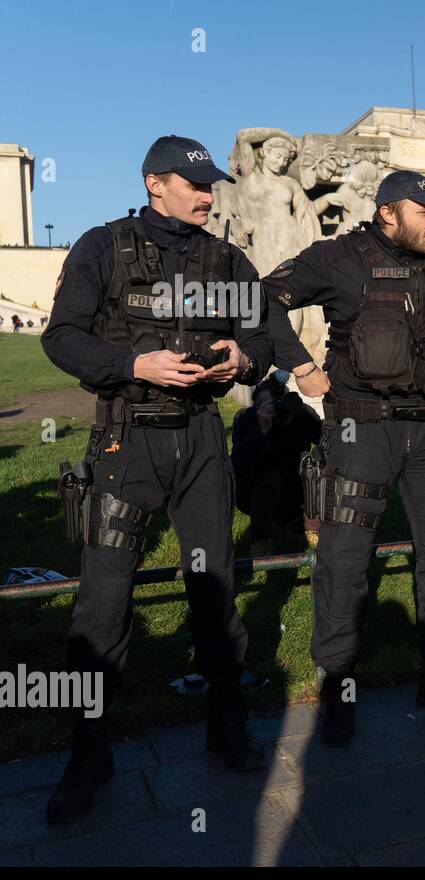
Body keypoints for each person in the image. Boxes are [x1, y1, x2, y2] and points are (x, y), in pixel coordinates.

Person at [40, 135, 273, 823]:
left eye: (212, 185)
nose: (208, 194)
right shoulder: (102, 247)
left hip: (202, 441)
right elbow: (62, 336)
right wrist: (134, 366)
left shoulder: (229, 258)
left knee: (215, 593)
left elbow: (264, 337)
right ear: (153, 183)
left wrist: (243, 356)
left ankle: (225, 727)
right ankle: (89, 755)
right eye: (194, 183)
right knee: (102, 606)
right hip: (125, 441)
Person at [260, 170, 425, 746]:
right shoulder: (339, 258)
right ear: (389, 212)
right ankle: (338, 686)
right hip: (360, 431)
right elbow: (262, 298)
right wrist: (301, 364)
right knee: (345, 559)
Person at [230, 374, 322, 555]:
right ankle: (261, 538)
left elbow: (326, 441)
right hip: (256, 490)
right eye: (269, 405)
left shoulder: (301, 415)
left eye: (280, 401)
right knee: (269, 476)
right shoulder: (247, 419)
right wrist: (262, 430)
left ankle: (306, 527)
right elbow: (236, 463)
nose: (277, 409)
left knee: (316, 469)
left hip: (297, 485)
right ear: (256, 405)